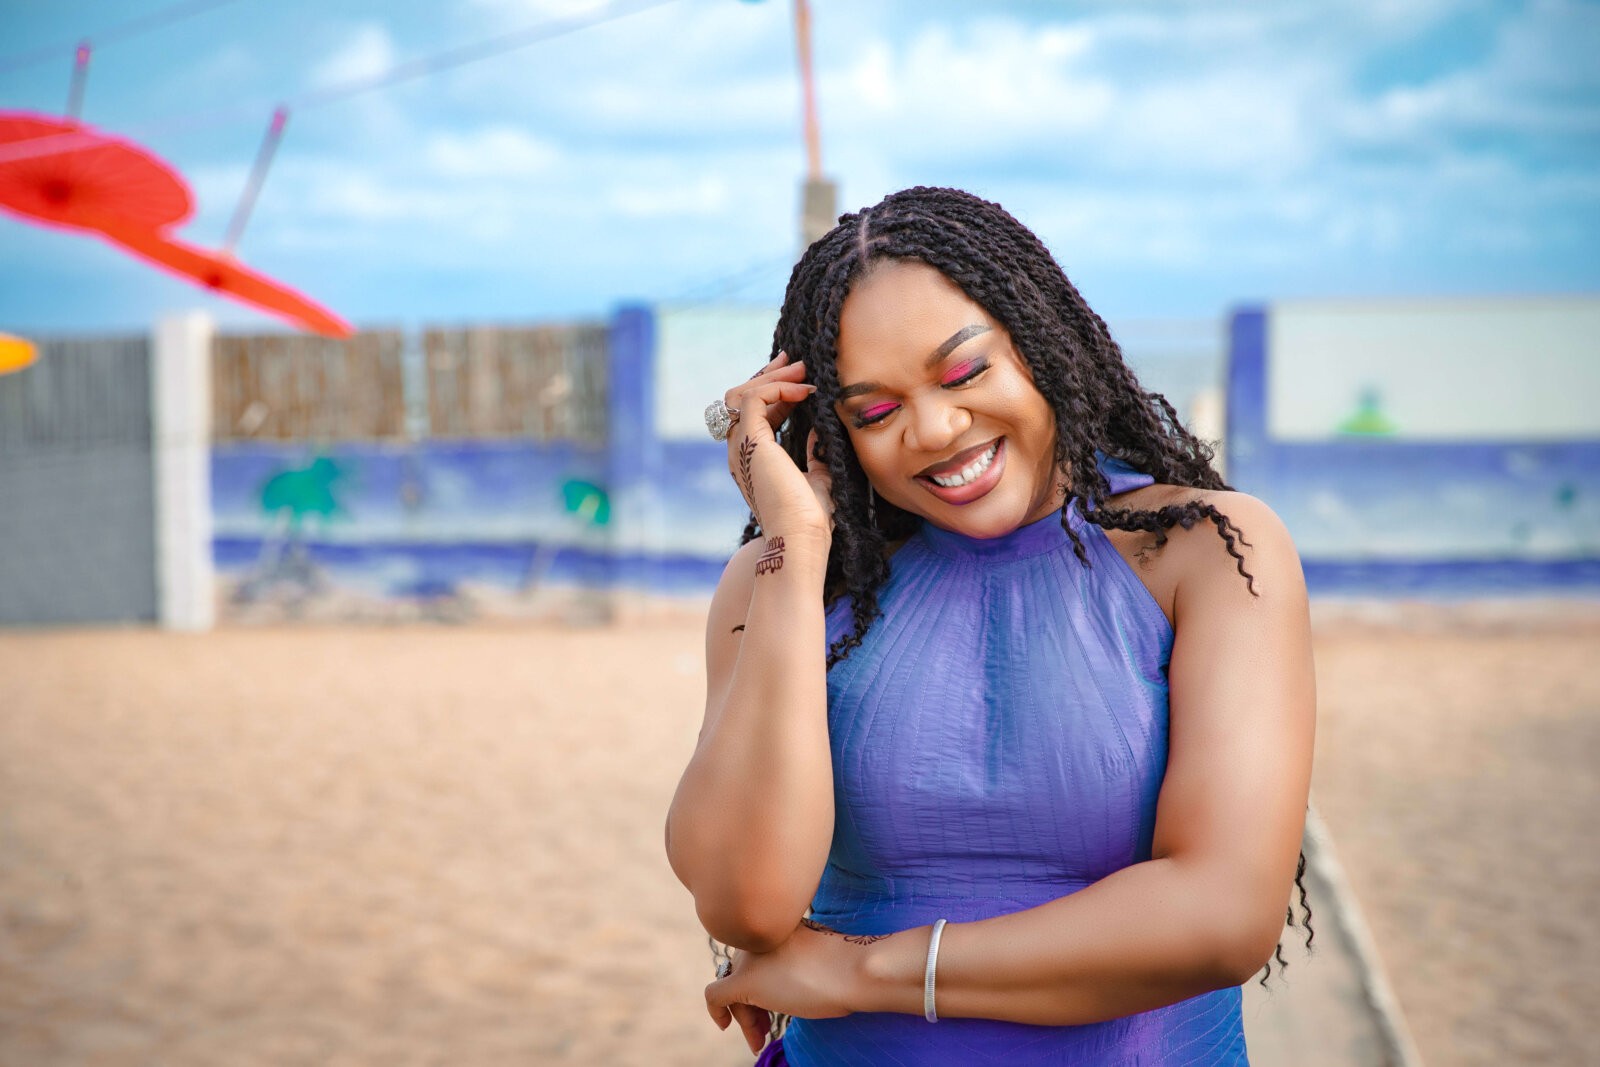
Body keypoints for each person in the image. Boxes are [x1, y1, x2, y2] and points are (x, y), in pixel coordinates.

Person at [665, 186, 1316, 1065]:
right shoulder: (785, 579)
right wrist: (796, 545)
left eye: (965, 372)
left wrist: (863, 971)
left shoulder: (1206, 551)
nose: (935, 429)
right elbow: (746, 903)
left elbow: (1222, 917)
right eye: (874, 411)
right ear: (829, 432)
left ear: (1042, 344)